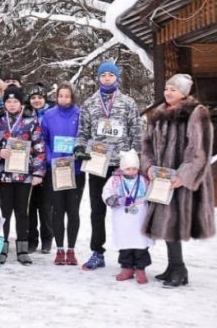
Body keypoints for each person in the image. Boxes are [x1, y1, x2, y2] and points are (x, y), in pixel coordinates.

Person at [141, 74, 216, 288]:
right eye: (166, 88)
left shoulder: (196, 113)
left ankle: (180, 268)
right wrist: (149, 167)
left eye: (173, 89)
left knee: (174, 223)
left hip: (180, 181)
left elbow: (200, 152)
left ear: (184, 93)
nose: (168, 92)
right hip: (161, 180)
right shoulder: (158, 113)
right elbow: (146, 145)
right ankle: (174, 267)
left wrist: (182, 176)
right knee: (166, 222)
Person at [75, 61, 141, 271]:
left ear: (116, 78)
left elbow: (136, 131)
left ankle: (127, 254)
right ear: (98, 78)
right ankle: (97, 252)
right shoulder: (90, 103)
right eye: (103, 75)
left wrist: (134, 158)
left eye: (110, 75)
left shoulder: (127, 102)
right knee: (97, 210)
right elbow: (83, 131)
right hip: (97, 164)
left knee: (124, 208)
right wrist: (79, 147)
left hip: (121, 165)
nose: (106, 79)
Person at [0, 85, 46, 265]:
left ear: (21, 103)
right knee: (4, 211)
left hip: (24, 175)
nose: (12, 104)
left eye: (15, 101)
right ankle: (2, 246)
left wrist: (38, 172)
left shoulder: (31, 120)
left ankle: (22, 247)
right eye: (8, 101)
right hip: (3, 174)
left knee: (23, 212)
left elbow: (39, 147)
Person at [41, 84, 84, 266]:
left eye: (67, 96)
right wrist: (50, 158)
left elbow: (86, 137)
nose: (64, 99)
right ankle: (59, 250)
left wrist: (80, 155)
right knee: (57, 211)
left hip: (75, 170)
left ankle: (71, 250)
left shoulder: (80, 114)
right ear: (56, 97)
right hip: (56, 170)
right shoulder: (49, 115)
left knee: (73, 211)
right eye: (61, 96)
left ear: (72, 97)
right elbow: (43, 139)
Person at [102, 149, 153, 285]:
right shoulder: (114, 180)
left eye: (135, 168)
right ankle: (127, 268)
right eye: (128, 169)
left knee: (140, 244)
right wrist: (116, 200)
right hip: (122, 216)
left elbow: (152, 193)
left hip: (139, 215)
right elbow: (106, 193)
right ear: (122, 168)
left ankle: (140, 269)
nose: (132, 171)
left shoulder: (143, 179)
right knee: (125, 244)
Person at [25, 82, 54, 254]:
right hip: (28, 165)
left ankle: (47, 238)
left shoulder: (50, 114)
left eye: (40, 97)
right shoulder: (26, 115)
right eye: (33, 98)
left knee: (45, 205)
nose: (36, 100)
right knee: (30, 206)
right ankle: (31, 239)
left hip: (47, 165)